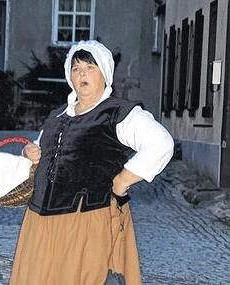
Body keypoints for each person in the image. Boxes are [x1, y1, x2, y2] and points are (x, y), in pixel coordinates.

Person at [9, 40, 174, 285]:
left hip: (84, 220)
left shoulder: (118, 113)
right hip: (39, 222)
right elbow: (44, 149)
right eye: (76, 68)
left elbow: (162, 144)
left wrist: (122, 180)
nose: (82, 74)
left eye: (90, 67)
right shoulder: (57, 115)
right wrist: (29, 152)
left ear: (105, 73)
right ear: (69, 76)